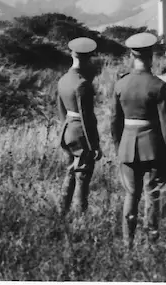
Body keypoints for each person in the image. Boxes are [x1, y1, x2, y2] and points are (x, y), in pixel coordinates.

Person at [111, 32, 166, 249]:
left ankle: (128, 242)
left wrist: (118, 147)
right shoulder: (158, 85)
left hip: (127, 147)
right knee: (152, 194)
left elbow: (115, 122)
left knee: (131, 194)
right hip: (153, 148)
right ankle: (152, 242)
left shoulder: (121, 84)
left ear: (132, 55)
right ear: (151, 56)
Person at [57, 37, 103, 214]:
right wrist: (94, 144)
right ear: (89, 57)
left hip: (67, 130)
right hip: (80, 132)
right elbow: (87, 117)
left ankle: (62, 211)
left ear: (72, 54)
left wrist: (65, 128)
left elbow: (60, 108)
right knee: (83, 175)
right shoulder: (83, 83)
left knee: (70, 171)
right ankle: (80, 215)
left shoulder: (63, 79)